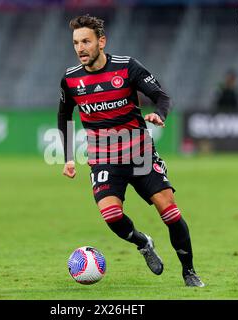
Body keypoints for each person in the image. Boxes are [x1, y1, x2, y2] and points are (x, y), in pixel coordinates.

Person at [57, 15, 204, 287]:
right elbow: (64, 116)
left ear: (101, 42)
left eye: (86, 41)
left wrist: (160, 114)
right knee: (111, 215)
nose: (80, 48)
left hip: (139, 153)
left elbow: (162, 96)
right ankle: (143, 242)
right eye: (76, 43)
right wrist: (67, 157)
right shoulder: (70, 79)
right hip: (103, 157)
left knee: (169, 212)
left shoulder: (127, 68)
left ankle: (189, 272)